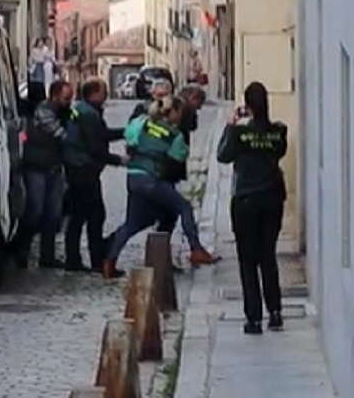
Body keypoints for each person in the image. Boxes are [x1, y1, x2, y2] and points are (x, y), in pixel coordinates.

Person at [101, 96, 219, 279]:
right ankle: (196, 250)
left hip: (133, 176)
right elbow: (177, 159)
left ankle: (109, 262)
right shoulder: (175, 135)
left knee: (132, 223)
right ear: (173, 113)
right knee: (184, 207)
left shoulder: (141, 122)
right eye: (179, 113)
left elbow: (129, 138)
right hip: (152, 179)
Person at [217, 81, 289, 335]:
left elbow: (222, 155)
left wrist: (230, 125)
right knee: (268, 256)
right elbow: (278, 153)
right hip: (272, 198)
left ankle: (254, 318)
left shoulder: (239, 134)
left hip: (246, 199)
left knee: (247, 260)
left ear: (247, 105)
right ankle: (276, 312)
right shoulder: (279, 132)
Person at [62, 77, 127, 272]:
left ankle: (73, 259)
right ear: (93, 94)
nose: (106, 94)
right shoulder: (89, 114)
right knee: (95, 215)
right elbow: (95, 146)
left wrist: (126, 132)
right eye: (103, 91)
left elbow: (101, 134)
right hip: (84, 170)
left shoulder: (80, 109)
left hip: (75, 168)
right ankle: (97, 261)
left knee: (78, 216)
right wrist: (118, 160)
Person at [14, 79, 75, 269]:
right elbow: (61, 135)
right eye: (66, 98)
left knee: (53, 215)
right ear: (54, 95)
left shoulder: (62, 112)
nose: (69, 102)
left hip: (54, 168)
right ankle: (21, 252)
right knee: (34, 213)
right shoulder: (44, 112)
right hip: (36, 169)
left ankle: (47, 257)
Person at [154, 84, 208, 236]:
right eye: (199, 104)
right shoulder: (184, 110)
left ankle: (162, 244)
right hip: (171, 164)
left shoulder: (176, 108)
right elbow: (192, 126)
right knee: (177, 209)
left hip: (167, 165)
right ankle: (192, 248)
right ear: (193, 98)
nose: (199, 108)